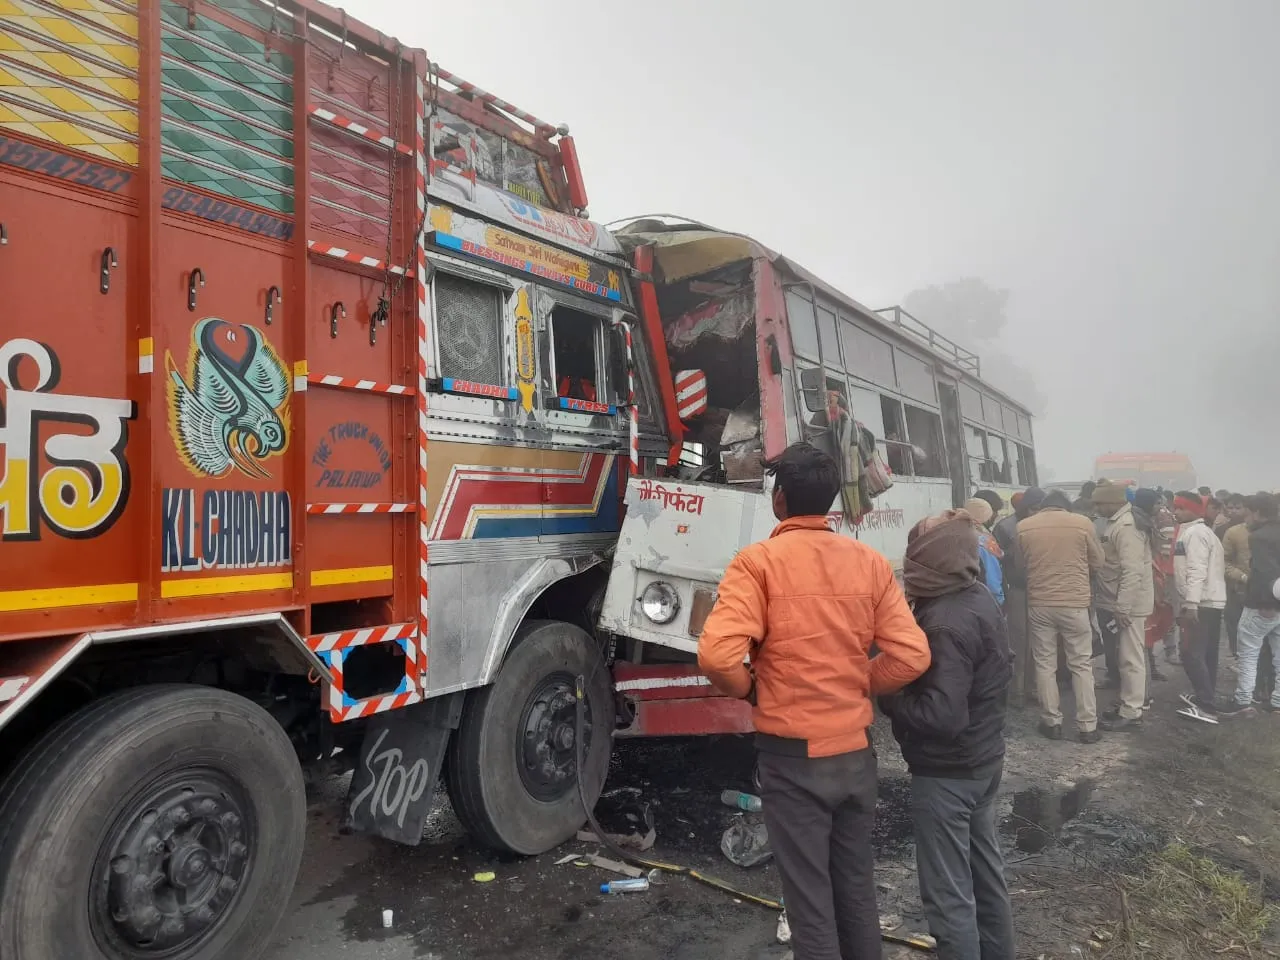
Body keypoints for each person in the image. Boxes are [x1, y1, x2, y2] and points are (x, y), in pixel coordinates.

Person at [698, 442, 931, 960]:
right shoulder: (868, 562)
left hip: (793, 762)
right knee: (854, 891)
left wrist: (753, 688)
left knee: (809, 904)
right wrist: (859, 681)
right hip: (854, 757)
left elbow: (717, 657)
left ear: (779, 500)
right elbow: (912, 656)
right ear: (828, 500)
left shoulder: (756, 563)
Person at [879, 512, 1015, 960]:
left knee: (949, 896)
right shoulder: (976, 596)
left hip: (948, 773)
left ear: (929, 558)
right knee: (984, 877)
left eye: (913, 551)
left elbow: (941, 716)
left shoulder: (942, 621)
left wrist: (889, 694)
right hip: (982, 760)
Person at [1016, 489, 1105, 742]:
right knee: (1081, 664)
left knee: (1045, 664)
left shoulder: (1024, 526)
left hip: (1040, 603)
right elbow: (1098, 562)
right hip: (1075, 604)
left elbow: (1021, 566)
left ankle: (1051, 722)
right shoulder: (1082, 523)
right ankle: (1088, 727)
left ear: (1043, 506)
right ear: (1066, 507)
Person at [1092, 481, 1155, 731]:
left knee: (1130, 657)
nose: (1096, 508)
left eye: (1099, 503)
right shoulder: (1118, 522)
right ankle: (1128, 702)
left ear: (1113, 502)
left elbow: (1132, 571)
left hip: (1129, 604)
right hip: (1122, 600)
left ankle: (1132, 711)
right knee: (1124, 655)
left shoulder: (1126, 526)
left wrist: (1123, 607)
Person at [1171, 492, 1228, 722]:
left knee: (1190, 653)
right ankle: (1207, 698)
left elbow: (1196, 570)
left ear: (1196, 510)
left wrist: (1191, 603)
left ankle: (1206, 706)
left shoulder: (1194, 534)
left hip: (1201, 602)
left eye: (1181, 509)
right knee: (1206, 654)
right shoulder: (1202, 532)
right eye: (1175, 508)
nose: (1176, 513)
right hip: (1210, 601)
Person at [1230, 493, 1280, 715]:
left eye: (1248, 513)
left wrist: (1266, 602)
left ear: (1258, 513)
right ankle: (1277, 702)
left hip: (1263, 603)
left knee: (1249, 652)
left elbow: (1264, 572)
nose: (1245, 518)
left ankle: (1243, 700)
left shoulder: (1260, 537)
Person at [994, 488, 1045, 708]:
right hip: (1016, 590)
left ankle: (1033, 688)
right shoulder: (1005, 527)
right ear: (1025, 507)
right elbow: (996, 559)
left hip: (1042, 589)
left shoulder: (1046, 525)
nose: (1036, 513)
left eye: (1039, 509)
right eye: (1033, 508)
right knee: (1018, 641)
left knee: (1038, 642)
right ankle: (1017, 692)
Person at [1222, 493, 1252, 658]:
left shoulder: (1272, 532)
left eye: (1238, 507)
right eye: (1231, 507)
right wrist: (1241, 577)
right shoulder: (1230, 532)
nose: (1234, 511)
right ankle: (1239, 659)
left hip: (1267, 590)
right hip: (1238, 588)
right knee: (1236, 625)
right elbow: (1223, 562)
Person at [964, 497, 1005, 605]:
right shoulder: (984, 542)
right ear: (983, 518)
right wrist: (999, 601)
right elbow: (992, 579)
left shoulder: (956, 533)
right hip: (984, 600)